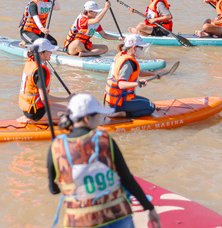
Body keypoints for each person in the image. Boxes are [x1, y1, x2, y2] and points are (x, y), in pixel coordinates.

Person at [48, 94, 161, 228]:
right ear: (87, 118)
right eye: (97, 115)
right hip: (117, 217)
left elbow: (53, 190)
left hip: (80, 221)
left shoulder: (56, 148)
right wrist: (149, 208)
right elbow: (127, 179)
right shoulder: (105, 140)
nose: (100, 118)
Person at [104, 34, 158, 118]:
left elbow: (137, 72)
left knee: (147, 101)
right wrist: (138, 83)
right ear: (133, 48)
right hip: (119, 101)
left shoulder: (121, 56)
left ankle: (118, 109)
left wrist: (154, 74)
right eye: (141, 48)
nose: (142, 50)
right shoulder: (128, 63)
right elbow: (121, 85)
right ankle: (123, 114)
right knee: (151, 107)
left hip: (114, 100)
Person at [18, 38, 68, 122]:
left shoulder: (31, 61)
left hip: (30, 108)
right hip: (35, 112)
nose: (51, 53)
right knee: (72, 116)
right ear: (41, 53)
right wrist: (66, 99)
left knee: (69, 110)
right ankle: (33, 120)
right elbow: (44, 98)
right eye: (49, 51)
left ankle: (30, 117)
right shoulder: (40, 70)